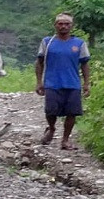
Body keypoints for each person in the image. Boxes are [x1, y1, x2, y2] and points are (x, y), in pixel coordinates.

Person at [35, 12, 90, 150]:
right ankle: (52, 128)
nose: (63, 26)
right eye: (60, 24)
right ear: (55, 25)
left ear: (72, 26)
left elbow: (84, 64)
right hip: (52, 83)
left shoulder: (79, 43)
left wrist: (86, 83)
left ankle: (65, 140)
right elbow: (39, 62)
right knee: (51, 111)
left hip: (72, 84)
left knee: (72, 113)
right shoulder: (47, 42)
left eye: (67, 24)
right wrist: (39, 81)